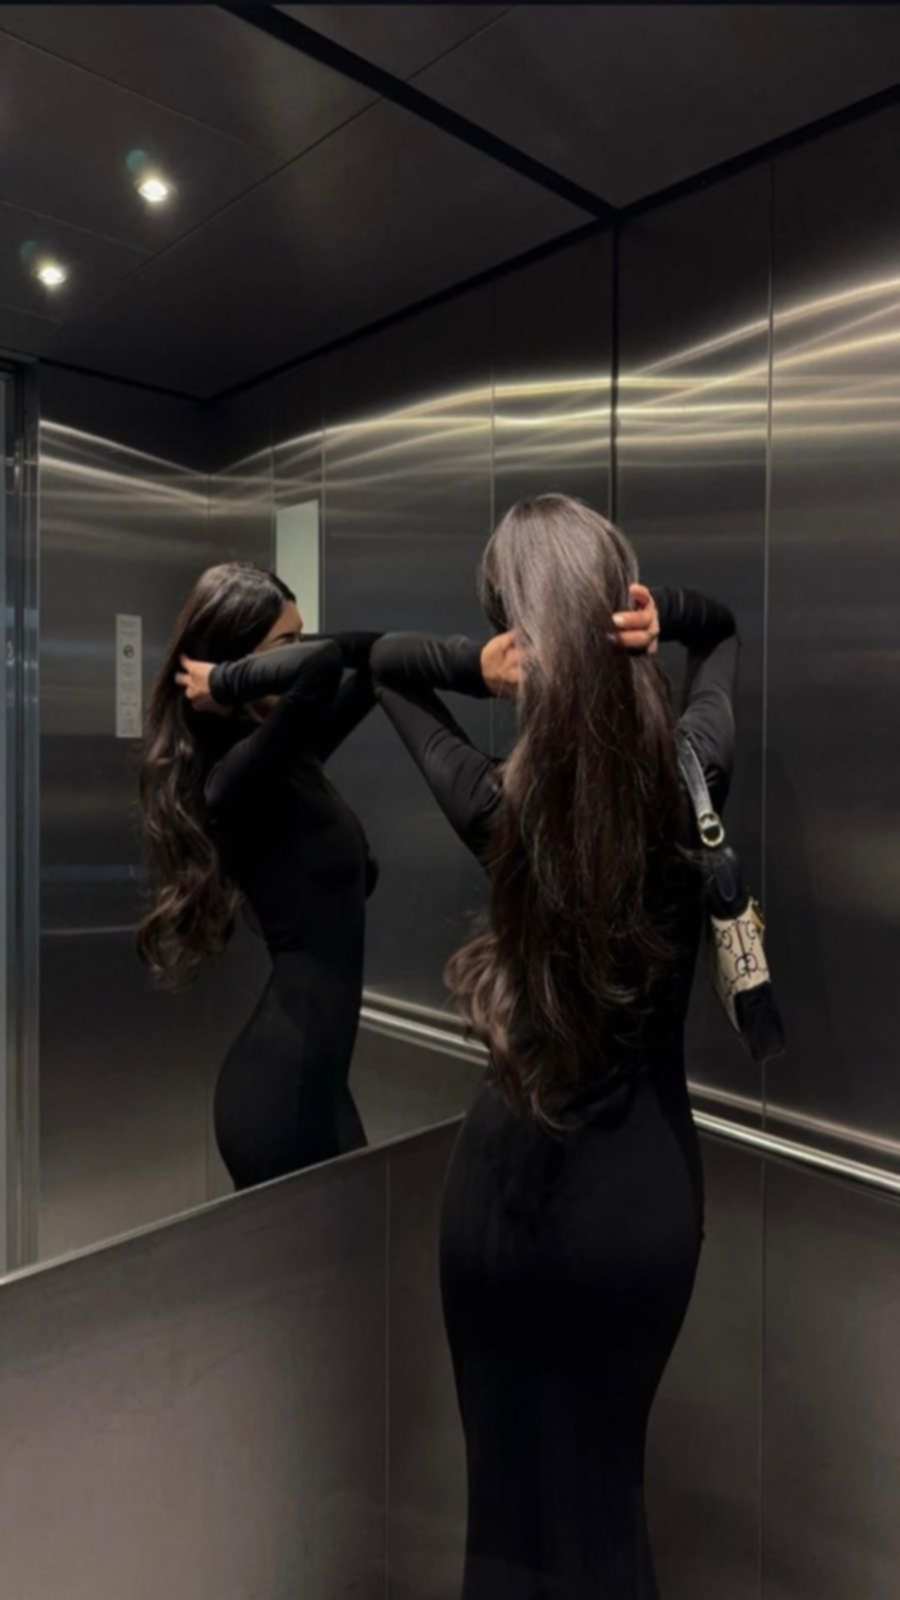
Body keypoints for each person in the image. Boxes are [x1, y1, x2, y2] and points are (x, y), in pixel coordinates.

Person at [369, 494, 738, 1600]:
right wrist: (667, 611)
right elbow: (722, 633)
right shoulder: (692, 772)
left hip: (499, 1195)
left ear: (516, 633)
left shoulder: (499, 804)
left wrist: (469, 667)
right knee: (605, 1515)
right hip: (637, 1202)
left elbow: (384, 666)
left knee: (505, 1517)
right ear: (618, 609)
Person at [138, 561, 381, 1188]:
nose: (301, 651)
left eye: (301, 637)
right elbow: (324, 667)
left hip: (320, 1085)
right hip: (278, 1097)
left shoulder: (293, 756)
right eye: (285, 642)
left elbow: (376, 657)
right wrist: (232, 677)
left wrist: (248, 668)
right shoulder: (236, 778)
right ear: (235, 659)